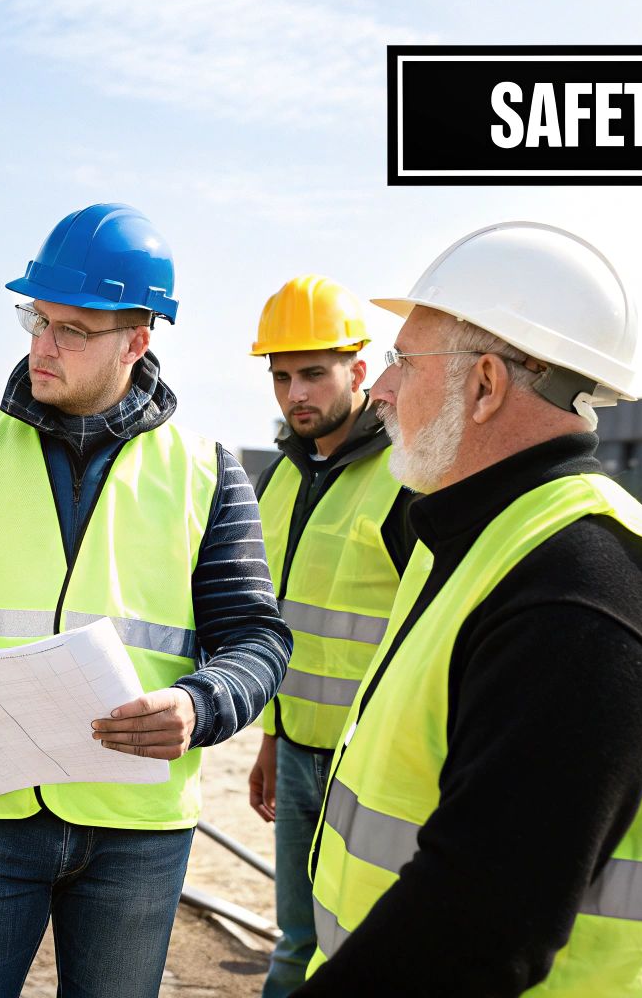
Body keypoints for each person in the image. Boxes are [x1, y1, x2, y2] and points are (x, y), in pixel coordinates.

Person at [0, 202, 292, 998]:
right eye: (37, 318)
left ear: (137, 339)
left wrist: (200, 704)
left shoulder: (208, 472)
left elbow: (257, 639)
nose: (41, 344)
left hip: (136, 836)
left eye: (72, 329)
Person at [296, 222, 642, 997]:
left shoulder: (584, 591)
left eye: (404, 361)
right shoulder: (476, 538)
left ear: (486, 385)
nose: (380, 390)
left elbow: (478, 923)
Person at [243, 275, 415, 998]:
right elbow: (284, 629)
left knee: (371, 953)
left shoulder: (407, 477)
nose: (295, 394)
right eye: (281, 377)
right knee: (296, 943)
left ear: (360, 372)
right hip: (301, 759)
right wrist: (273, 739)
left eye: (314, 373)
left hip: (376, 772)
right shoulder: (281, 479)